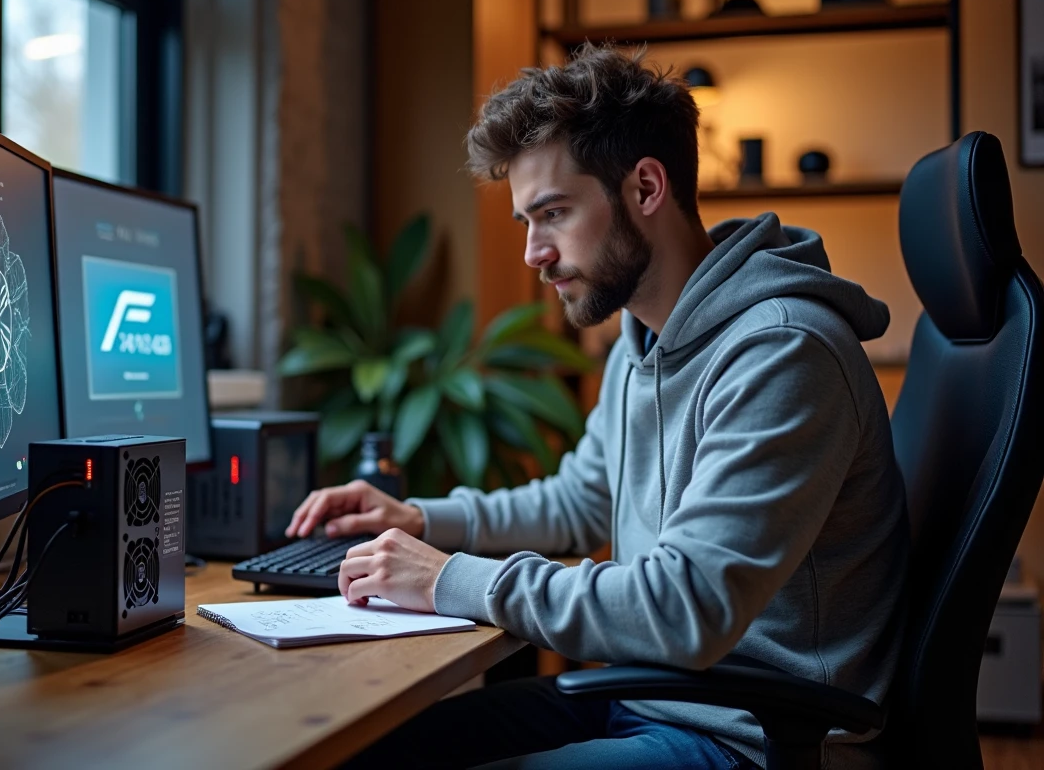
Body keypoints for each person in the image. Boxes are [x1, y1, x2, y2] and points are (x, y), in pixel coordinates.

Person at [286, 45, 908, 769]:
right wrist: (422, 520)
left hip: (753, 735)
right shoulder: (641, 340)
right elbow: (583, 501)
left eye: (552, 213)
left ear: (646, 187)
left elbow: (687, 607)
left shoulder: (783, 353)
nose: (532, 253)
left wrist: (448, 579)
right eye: (525, 220)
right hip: (658, 695)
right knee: (366, 754)